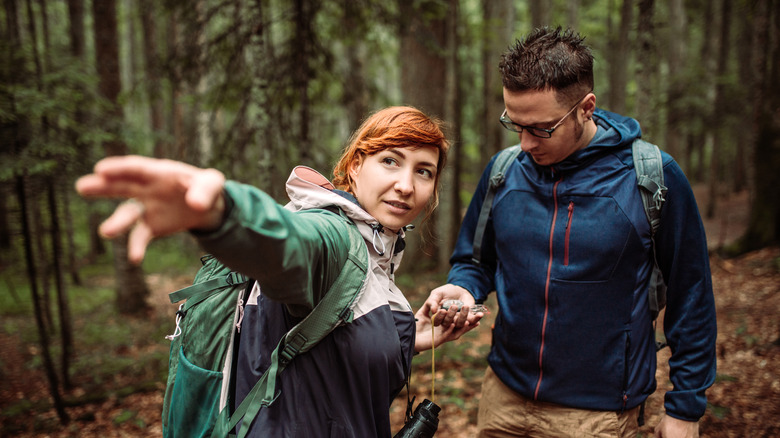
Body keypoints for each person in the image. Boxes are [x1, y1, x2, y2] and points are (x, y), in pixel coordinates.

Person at [76, 106, 479, 437]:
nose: (406, 185)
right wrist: (223, 215)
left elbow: (336, 361)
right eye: (390, 161)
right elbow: (286, 244)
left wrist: (411, 337)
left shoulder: (378, 254)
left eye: (423, 171)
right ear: (355, 167)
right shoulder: (335, 237)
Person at [422, 27, 716, 438]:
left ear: (585, 108)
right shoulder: (504, 171)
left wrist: (686, 407)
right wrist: (464, 288)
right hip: (503, 397)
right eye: (514, 123)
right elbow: (476, 260)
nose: (525, 143)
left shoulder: (651, 178)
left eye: (541, 128)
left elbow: (692, 292)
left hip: (597, 416)